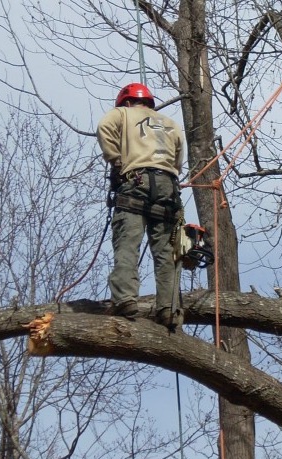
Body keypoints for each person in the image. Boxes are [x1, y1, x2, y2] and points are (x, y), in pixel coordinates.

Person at [96, 82, 184, 330]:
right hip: (168, 184)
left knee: (127, 242)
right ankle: (169, 309)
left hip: (136, 180)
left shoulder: (122, 113)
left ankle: (125, 300)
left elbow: (104, 127)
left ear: (126, 101)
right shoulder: (170, 123)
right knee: (167, 251)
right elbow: (179, 157)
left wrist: (117, 161)